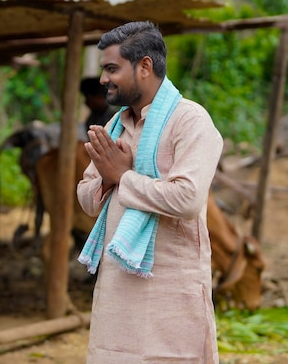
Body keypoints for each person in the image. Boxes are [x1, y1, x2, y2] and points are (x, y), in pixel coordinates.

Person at [76, 21, 222, 364]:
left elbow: (187, 199)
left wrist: (123, 177)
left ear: (145, 66)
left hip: (171, 295)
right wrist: (109, 179)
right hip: (117, 292)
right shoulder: (115, 126)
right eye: (103, 69)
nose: (103, 79)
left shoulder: (190, 121)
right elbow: (85, 198)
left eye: (112, 69)